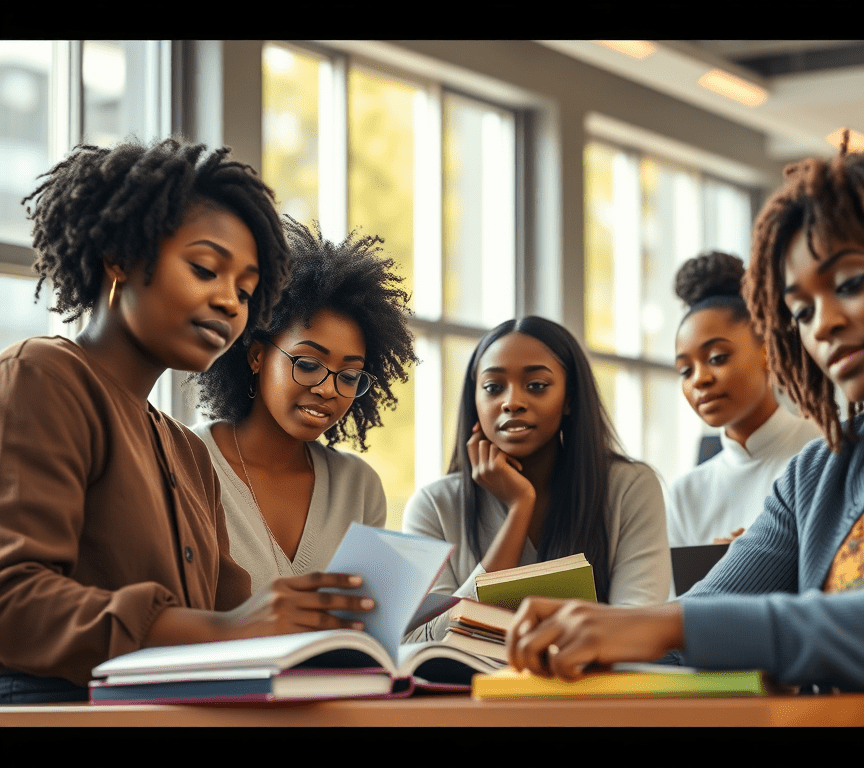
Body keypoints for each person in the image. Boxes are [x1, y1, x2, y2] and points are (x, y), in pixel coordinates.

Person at [506, 136, 864, 727]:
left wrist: (665, 625)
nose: (823, 324)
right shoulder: (819, 474)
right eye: (800, 311)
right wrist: (560, 645)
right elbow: (689, 636)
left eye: (850, 282)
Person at [0, 138, 372, 704]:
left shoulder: (187, 453)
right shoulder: (44, 376)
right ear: (120, 257)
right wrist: (227, 631)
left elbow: (232, 618)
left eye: (246, 291)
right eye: (205, 268)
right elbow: (12, 599)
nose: (229, 303)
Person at [403, 316, 671, 642]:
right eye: (492, 387)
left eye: (537, 386)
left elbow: (637, 625)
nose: (512, 402)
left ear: (570, 398)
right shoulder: (433, 505)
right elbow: (421, 642)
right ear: (475, 401)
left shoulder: (630, 487)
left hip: (587, 689)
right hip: (469, 691)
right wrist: (519, 509)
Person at [189, 218, 416, 594]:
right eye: (308, 365)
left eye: (348, 376)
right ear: (257, 356)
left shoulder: (358, 488)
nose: (329, 390)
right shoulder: (189, 461)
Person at [668, 251, 820, 547]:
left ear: (767, 349)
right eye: (685, 370)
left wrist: (754, 562)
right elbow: (675, 595)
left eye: (717, 357)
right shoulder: (685, 494)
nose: (699, 379)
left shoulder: (825, 451)